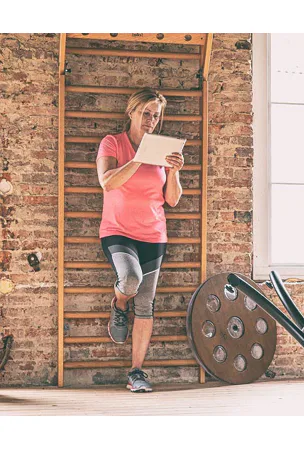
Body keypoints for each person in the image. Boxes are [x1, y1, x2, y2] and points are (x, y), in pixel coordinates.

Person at [96, 88, 184, 392]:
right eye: (145, 113)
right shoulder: (112, 143)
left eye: (155, 115)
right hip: (117, 231)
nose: (150, 120)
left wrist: (173, 172)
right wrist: (139, 158)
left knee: (146, 303)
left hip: (153, 234)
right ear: (131, 112)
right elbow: (107, 182)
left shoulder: (162, 149)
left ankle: (136, 373)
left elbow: (172, 200)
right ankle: (120, 303)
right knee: (130, 280)